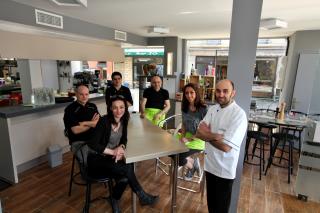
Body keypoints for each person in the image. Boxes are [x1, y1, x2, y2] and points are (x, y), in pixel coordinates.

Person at [87, 95, 159, 212]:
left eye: (121, 107)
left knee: (125, 178)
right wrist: (112, 151)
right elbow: (92, 144)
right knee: (127, 169)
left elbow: (124, 139)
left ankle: (114, 199)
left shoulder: (124, 120)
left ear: (125, 108)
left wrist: (121, 147)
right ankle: (143, 197)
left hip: (110, 159)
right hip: (96, 159)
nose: (118, 110)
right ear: (110, 108)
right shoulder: (103, 121)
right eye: (115, 107)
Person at [195, 79, 247, 213]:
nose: (221, 94)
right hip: (210, 165)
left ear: (233, 93)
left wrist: (207, 134)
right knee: (211, 205)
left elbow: (226, 148)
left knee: (221, 209)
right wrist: (215, 136)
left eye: (225, 91)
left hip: (224, 170)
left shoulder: (239, 115)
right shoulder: (213, 109)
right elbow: (198, 132)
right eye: (218, 91)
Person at [178, 83, 207, 180]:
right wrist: (182, 137)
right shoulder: (184, 107)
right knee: (170, 151)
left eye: (192, 92)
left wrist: (188, 139)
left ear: (196, 93)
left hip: (199, 138)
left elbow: (204, 131)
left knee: (180, 158)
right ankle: (193, 164)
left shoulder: (203, 109)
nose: (189, 95)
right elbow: (184, 124)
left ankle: (192, 165)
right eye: (186, 93)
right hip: (187, 136)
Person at [63, 84, 100, 152]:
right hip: (79, 142)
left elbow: (99, 123)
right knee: (96, 156)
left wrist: (84, 123)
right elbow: (76, 130)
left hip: (95, 138)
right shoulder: (70, 109)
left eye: (86, 94)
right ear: (76, 94)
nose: (84, 97)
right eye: (81, 94)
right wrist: (92, 124)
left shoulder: (92, 106)